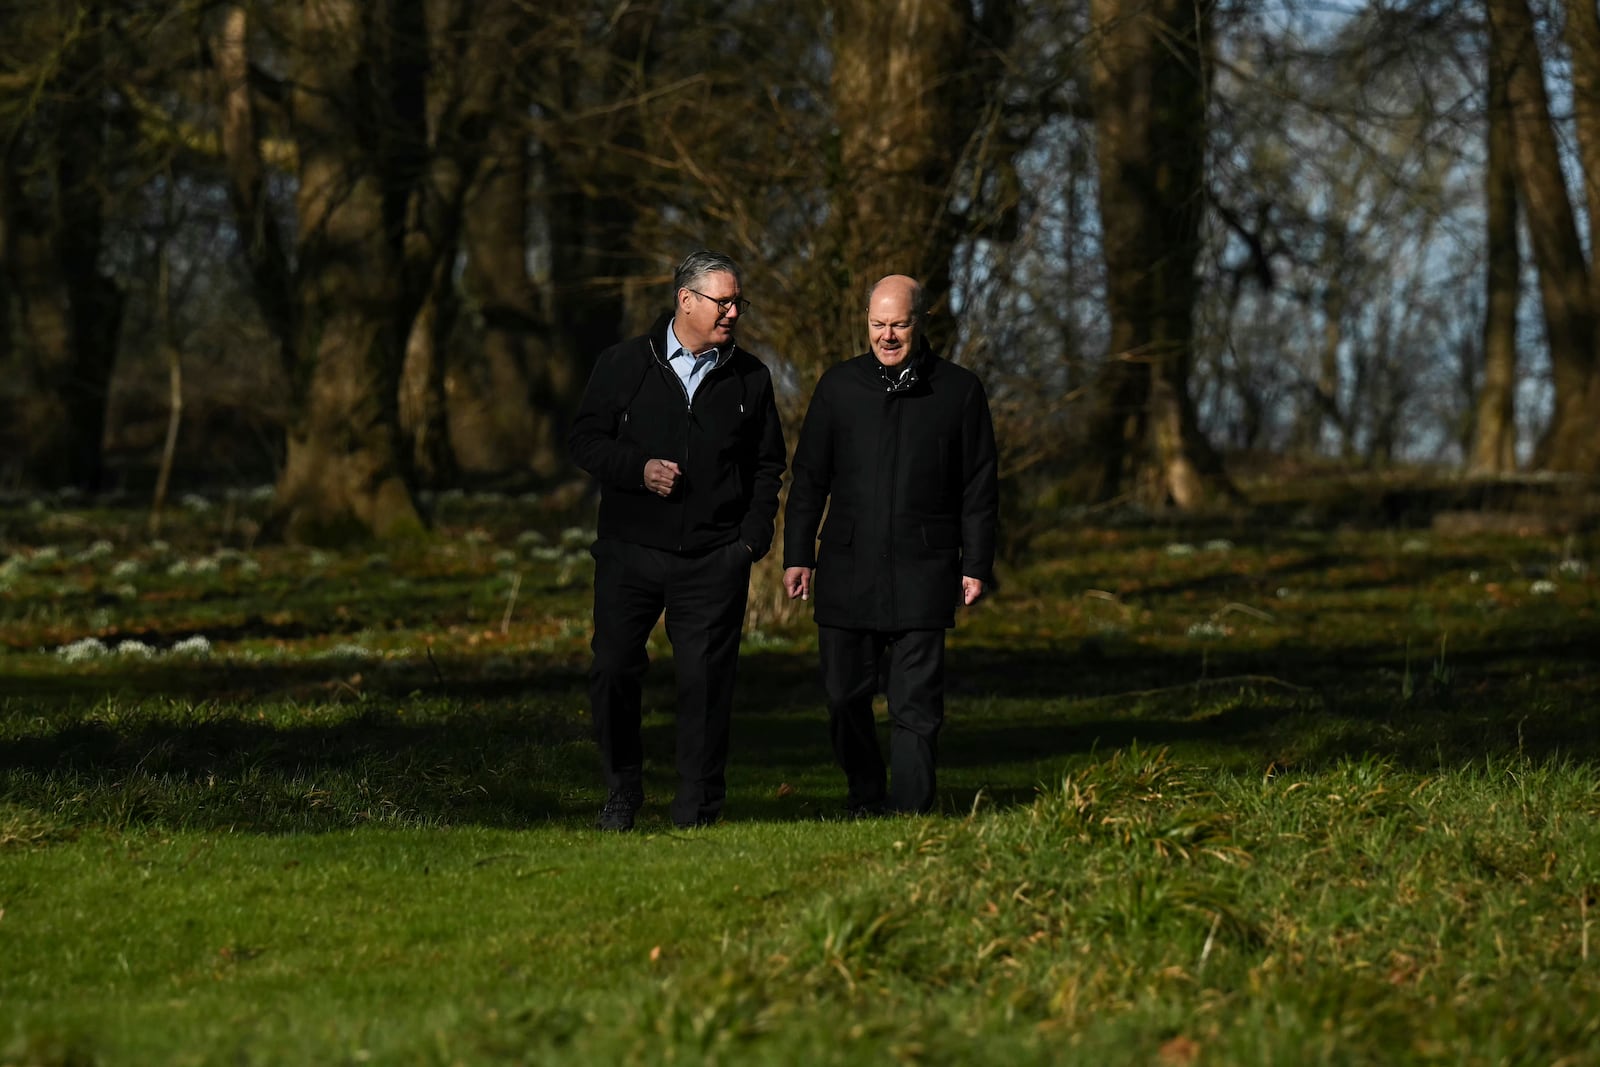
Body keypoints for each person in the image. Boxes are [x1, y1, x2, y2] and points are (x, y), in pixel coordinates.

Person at [570, 250, 786, 831]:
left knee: (706, 686)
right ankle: (622, 790)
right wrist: (637, 469)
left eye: (738, 301)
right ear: (686, 301)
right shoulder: (623, 365)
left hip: (715, 559)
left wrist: (750, 540)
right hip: (630, 551)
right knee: (613, 669)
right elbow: (586, 441)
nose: (734, 312)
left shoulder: (751, 378)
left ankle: (697, 811)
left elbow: (769, 467)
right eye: (724, 301)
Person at [782, 274, 998, 816]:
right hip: (846, 569)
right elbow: (809, 478)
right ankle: (865, 795)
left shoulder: (959, 391)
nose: (887, 335)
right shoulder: (838, 387)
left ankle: (910, 808)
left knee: (917, 705)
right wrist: (798, 554)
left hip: (924, 570)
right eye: (878, 324)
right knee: (843, 697)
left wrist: (976, 563)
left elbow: (978, 485)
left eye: (899, 323)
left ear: (920, 322)